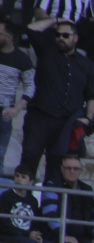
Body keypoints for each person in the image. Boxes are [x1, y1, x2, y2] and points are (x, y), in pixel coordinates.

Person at [20, 18, 94, 186]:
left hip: (66, 123)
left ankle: (51, 208)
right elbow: (31, 29)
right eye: (57, 35)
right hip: (39, 117)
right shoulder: (47, 51)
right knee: (29, 159)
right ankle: (24, 205)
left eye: (65, 35)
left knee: (57, 168)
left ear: (75, 38)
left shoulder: (87, 65)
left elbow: (92, 95)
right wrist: (56, 20)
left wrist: (88, 118)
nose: (60, 38)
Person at [40, 155, 94, 243]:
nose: (72, 171)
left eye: (75, 168)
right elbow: (49, 215)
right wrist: (63, 236)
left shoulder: (87, 189)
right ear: (61, 169)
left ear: (80, 171)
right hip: (56, 235)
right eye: (68, 168)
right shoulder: (52, 186)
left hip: (82, 236)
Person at [0, 166, 59, 243]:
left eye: (23, 177)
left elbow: (34, 223)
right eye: (17, 176)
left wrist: (37, 234)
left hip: (28, 235)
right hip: (12, 235)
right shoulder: (6, 197)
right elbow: (4, 223)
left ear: (31, 182)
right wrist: (28, 234)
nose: (18, 179)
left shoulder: (33, 201)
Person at [0, 18, 34, 176]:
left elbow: (30, 86)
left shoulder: (22, 59)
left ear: (9, 36)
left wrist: (17, 108)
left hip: (4, 112)